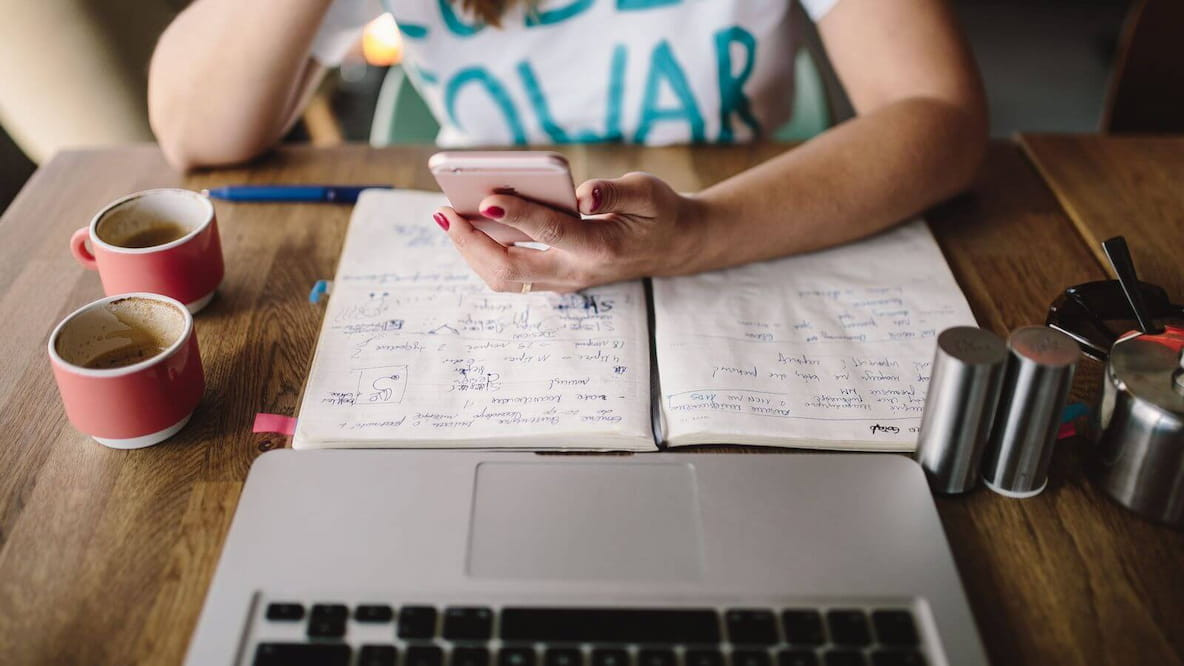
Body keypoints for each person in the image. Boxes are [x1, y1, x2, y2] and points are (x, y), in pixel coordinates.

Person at [149, 0, 987, 294]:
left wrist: (698, 233)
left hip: (750, 233)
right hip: (481, 272)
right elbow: (194, 132)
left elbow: (942, 116)